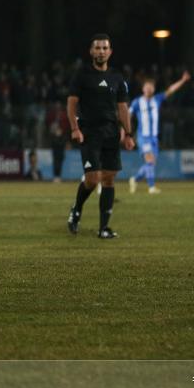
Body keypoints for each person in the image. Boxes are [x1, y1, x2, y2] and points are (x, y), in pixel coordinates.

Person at [66, 34, 135, 239]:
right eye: (97, 48)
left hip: (111, 133)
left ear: (110, 52)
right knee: (92, 179)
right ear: (91, 51)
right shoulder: (81, 76)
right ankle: (76, 210)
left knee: (108, 179)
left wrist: (128, 133)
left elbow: (122, 107)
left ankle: (104, 228)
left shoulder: (117, 78)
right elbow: (71, 104)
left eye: (105, 48)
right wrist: (74, 128)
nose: (101, 51)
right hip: (89, 132)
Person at [128, 72, 190, 194]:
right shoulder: (137, 102)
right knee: (150, 161)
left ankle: (134, 179)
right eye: (146, 87)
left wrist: (182, 81)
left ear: (154, 89)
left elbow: (171, 90)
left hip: (154, 138)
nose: (148, 89)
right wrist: (126, 131)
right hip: (143, 137)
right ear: (143, 88)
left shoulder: (157, 99)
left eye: (151, 87)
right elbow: (128, 115)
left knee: (151, 164)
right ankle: (151, 187)